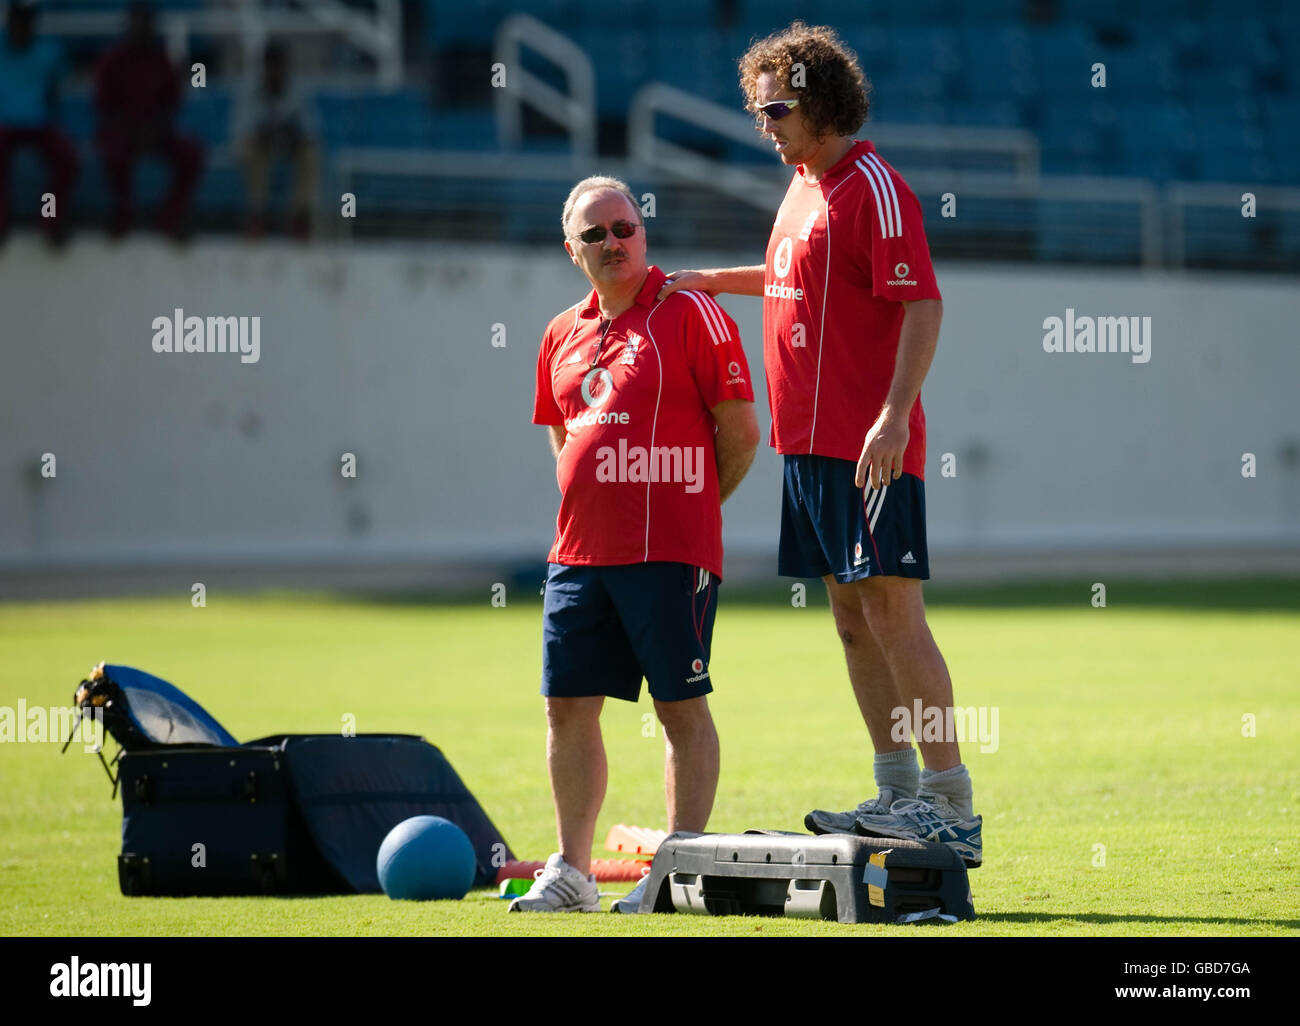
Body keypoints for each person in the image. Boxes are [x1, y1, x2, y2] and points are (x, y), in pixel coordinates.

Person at [657, 22, 981, 867]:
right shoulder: (803, 185)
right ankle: (896, 794)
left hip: (865, 445)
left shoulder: (874, 184)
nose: (764, 125)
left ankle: (951, 805)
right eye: (758, 108)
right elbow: (794, 276)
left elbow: (924, 304)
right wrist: (710, 282)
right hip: (806, 450)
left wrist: (893, 415)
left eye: (776, 108)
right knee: (848, 619)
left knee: (893, 614)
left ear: (821, 103)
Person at [512, 175, 760, 912]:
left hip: (669, 553)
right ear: (572, 250)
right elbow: (562, 437)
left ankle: (675, 875)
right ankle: (574, 874)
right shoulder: (560, 333)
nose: (613, 242)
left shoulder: (692, 314)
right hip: (578, 555)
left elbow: (741, 432)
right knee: (565, 709)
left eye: (624, 227)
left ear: (642, 233)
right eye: (596, 234)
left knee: (679, 707)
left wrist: (692, 508)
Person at [94, 1, 204, 239]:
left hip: (157, 131)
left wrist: (156, 129)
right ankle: (123, 213)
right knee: (113, 152)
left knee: (192, 152)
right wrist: (129, 129)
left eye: (146, 25)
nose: (142, 29)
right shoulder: (112, 59)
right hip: (122, 131)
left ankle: (171, 216)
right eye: (137, 24)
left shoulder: (161, 59)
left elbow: (172, 102)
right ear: (128, 27)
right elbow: (104, 106)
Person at [0, 1, 78, 246]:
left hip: (40, 125)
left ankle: (50, 219)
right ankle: (1, 221)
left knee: (66, 160)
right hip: (3, 127)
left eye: (26, 21)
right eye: (16, 20)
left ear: (33, 24)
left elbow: (58, 86)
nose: (20, 27)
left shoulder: (49, 51)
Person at [231, 41, 320, 240]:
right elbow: (240, 131)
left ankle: (300, 216)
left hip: (290, 146)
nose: (275, 72)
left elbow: (311, 131)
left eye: (280, 66)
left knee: (310, 153)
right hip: (260, 147)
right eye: (271, 67)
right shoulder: (248, 90)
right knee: (251, 151)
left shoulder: (299, 90)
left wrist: (290, 134)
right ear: (264, 68)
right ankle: (257, 215)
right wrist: (265, 134)